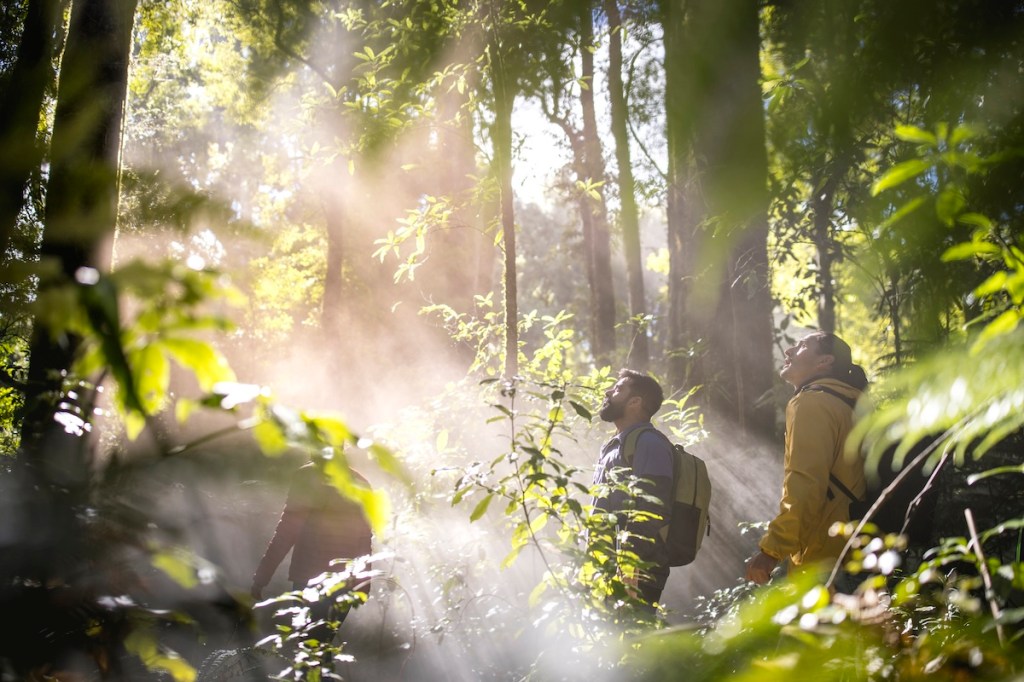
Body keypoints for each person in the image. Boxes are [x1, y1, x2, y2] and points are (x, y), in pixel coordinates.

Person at [745, 332, 869, 587]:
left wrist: (772, 551)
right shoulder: (849, 403)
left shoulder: (812, 402)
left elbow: (806, 483)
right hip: (862, 547)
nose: (789, 351)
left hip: (827, 556)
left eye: (801, 346)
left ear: (825, 361)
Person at [251, 457, 373, 640]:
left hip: (307, 577)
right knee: (323, 642)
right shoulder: (360, 482)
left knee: (308, 643)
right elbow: (364, 539)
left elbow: (287, 531)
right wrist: (363, 582)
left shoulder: (306, 477)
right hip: (344, 580)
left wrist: (262, 576)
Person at [591, 369, 675, 606]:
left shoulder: (650, 443)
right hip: (607, 569)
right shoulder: (615, 445)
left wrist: (629, 570)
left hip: (635, 572)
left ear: (635, 402)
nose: (608, 391)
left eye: (618, 389)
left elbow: (652, 509)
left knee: (633, 640)